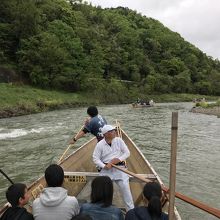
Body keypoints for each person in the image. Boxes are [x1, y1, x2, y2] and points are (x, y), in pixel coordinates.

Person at [93, 124, 134, 211]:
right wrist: (104, 166)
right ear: (105, 134)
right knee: (103, 192)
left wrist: (118, 159)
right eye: (111, 131)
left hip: (120, 169)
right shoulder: (100, 145)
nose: (114, 132)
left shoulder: (119, 140)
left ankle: (130, 211)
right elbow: (95, 159)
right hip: (106, 171)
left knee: (126, 191)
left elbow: (127, 153)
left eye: (114, 130)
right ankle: (103, 210)